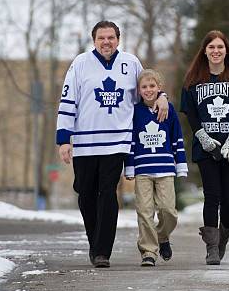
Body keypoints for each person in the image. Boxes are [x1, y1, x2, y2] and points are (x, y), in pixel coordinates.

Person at [56, 21, 169, 268]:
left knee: (107, 193)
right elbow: (68, 100)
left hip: (117, 141)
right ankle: (94, 242)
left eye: (111, 38)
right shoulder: (80, 64)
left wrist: (162, 97)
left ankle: (102, 252)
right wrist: (64, 138)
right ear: (94, 40)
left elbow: (147, 89)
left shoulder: (131, 63)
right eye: (101, 38)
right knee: (86, 194)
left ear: (118, 39)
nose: (106, 42)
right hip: (86, 142)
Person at [180, 30, 229, 265]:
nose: (216, 51)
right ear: (204, 51)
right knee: (212, 196)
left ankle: (223, 236)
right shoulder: (193, 78)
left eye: (220, 47)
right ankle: (212, 247)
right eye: (211, 47)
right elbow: (190, 113)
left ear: (226, 50)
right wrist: (204, 138)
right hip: (206, 147)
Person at [124, 69, 187, 267]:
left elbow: (177, 137)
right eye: (144, 87)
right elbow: (131, 141)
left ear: (159, 88)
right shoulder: (135, 112)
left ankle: (162, 237)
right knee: (145, 211)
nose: (148, 90)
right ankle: (148, 251)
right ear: (139, 90)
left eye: (152, 86)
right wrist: (130, 167)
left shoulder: (168, 109)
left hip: (166, 169)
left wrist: (181, 164)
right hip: (142, 169)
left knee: (169, 211)